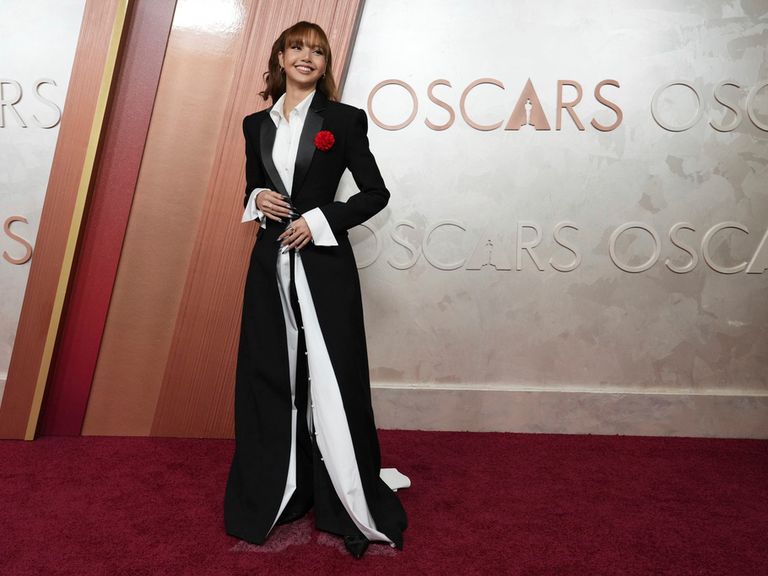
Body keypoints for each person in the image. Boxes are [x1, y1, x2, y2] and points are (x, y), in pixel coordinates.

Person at [223, 21, 407, 559]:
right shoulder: (254, 123)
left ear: (325, 66)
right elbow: (251, 186)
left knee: (332, 375)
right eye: (298, 48)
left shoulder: (344, 121)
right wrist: (258, 196)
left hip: (324, 267)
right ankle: (278, 494)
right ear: (280, 57)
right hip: (269, 265)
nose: (307, 57)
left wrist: (321, 220)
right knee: (270, 374)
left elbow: (376, 193)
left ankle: (342, 497)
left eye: (318, 52)